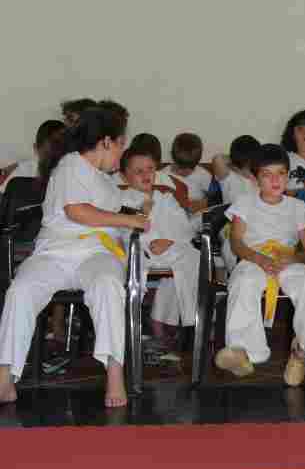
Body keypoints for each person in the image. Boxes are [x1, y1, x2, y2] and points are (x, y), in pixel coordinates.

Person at [0, 106, 149, 408]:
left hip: (96, 252)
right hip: (56, 252)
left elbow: (121, 205)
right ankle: (5, 375)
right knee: (21, 290)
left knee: (108, 284)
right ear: (106, 142)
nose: (122, 153)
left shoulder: (104, 178)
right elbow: (76, 211)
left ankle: (115, 372)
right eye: (121, 144)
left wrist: (142, 207)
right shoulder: (70, 165)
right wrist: (129, 221)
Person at [214, 145, 305, 387]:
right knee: (243, 283)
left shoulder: (297, 207)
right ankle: (244, 352)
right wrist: (258, 259)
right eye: (267, 174)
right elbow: (236, 242)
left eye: (281, 173)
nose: (276, 180)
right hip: (253, 258)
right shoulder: (244, 203)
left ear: (288, 175)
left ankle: (300, 352)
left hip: (288, 260)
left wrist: (293, 259)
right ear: (256, 178)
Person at [119, 145, 200, 347]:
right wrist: (143, 215)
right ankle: (167, 322)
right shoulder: (121, 198)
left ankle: (188, 321)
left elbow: (185, 226)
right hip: (138, 251)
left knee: (192, 256)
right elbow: (123, 230)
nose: (146, 175)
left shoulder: (166, 198)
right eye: (138, 171)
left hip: (167, 249)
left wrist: (169, 241)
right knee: (178, 259)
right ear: (124, 176)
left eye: (150, 169)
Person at [0, 119, 64, 192]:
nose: (53, 159)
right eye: (47, 153)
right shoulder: (22, 172)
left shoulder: (71, 172)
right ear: (36, 148)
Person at [165, 132, 212, 214]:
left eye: (190, 168)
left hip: (197, 219)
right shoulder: (163, 175)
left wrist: (201, 204)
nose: (184, 173)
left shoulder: (203, 175)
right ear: (172, 157)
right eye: (180, 168)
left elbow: (217, 198)